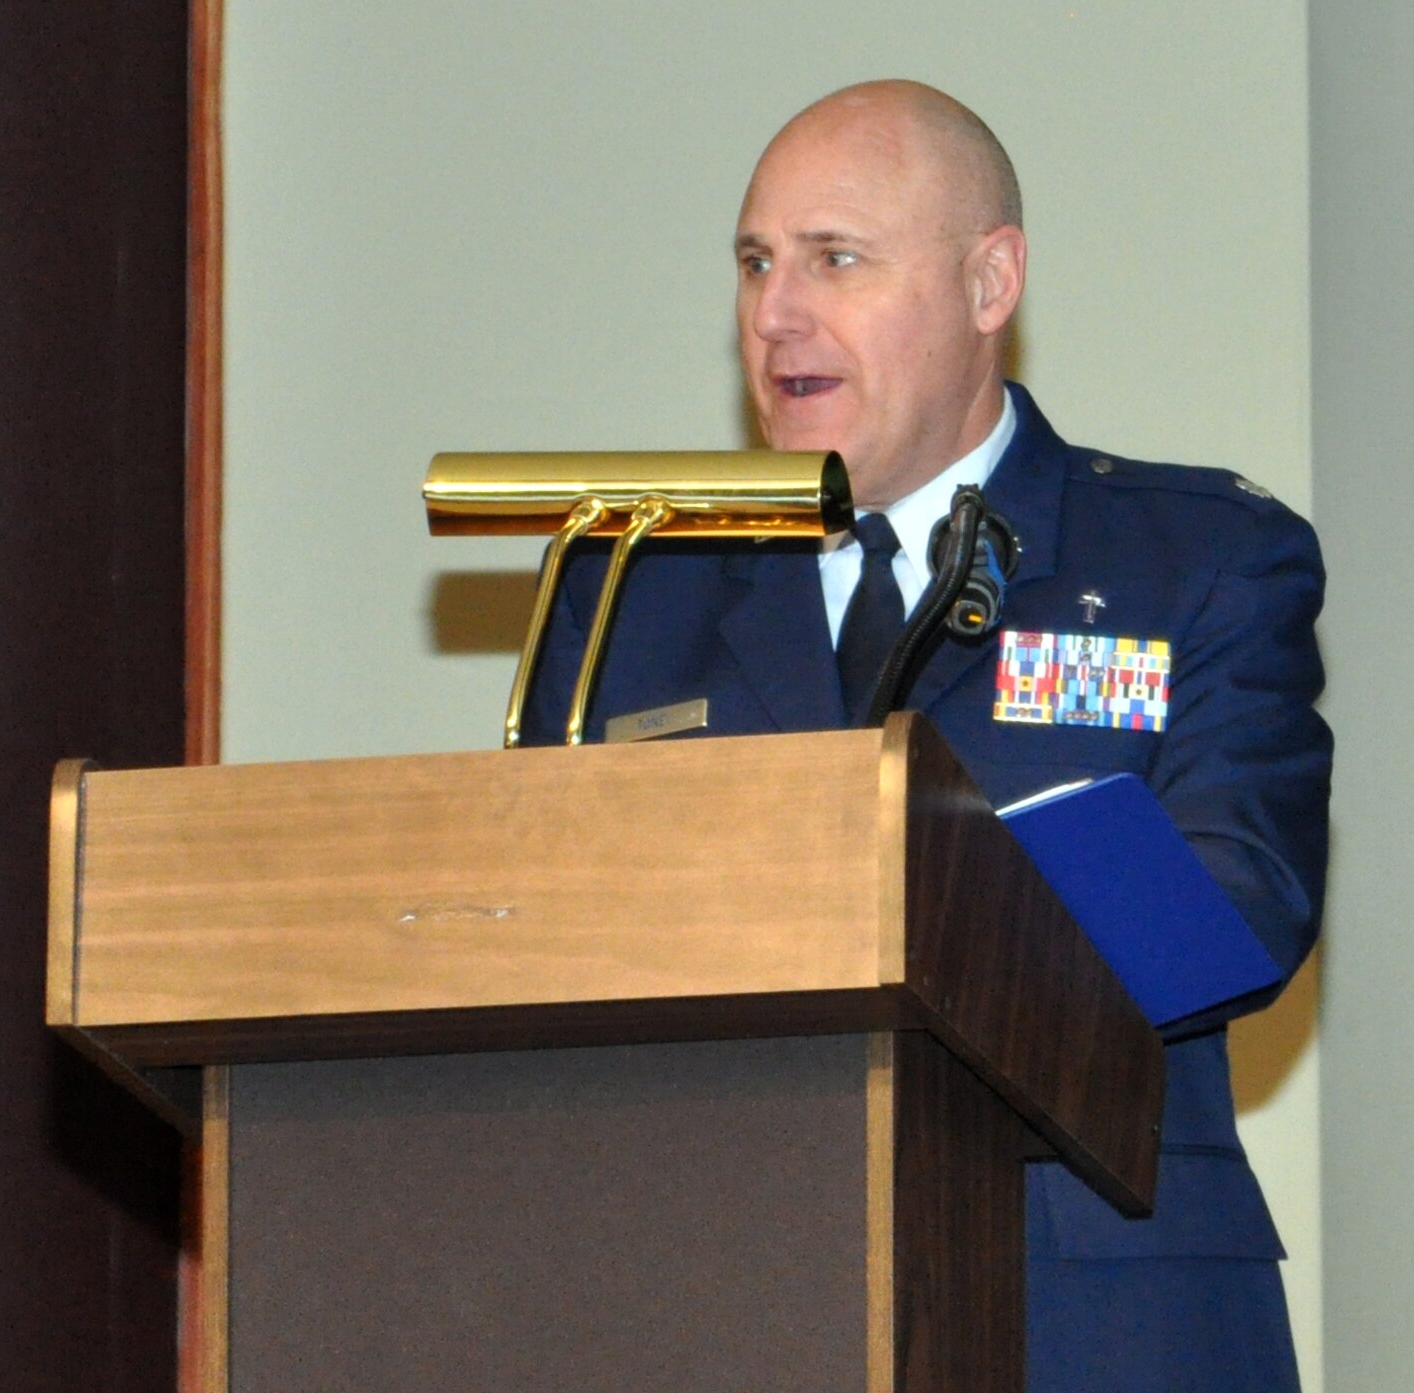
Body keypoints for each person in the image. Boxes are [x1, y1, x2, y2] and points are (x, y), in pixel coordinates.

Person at [520, 80, 1330, 1392]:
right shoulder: (631, 586)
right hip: (725, 1292)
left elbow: (1240, 893)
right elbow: (536, 926)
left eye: (836, 258)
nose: (777, 311)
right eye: (755, 263)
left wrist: (905, 916)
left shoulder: (1198, 557)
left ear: (989, 281)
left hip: (1092, 1312)